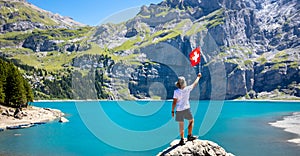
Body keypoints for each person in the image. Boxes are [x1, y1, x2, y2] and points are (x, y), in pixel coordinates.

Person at [171, 73, 202, 145]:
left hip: (179, 110)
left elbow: (174, 102)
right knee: (191, 121)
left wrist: (172, 111)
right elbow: (195, 83)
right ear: (184, 83)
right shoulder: (187, 89)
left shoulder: (176, 92)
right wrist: (198, 77)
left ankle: (182, 140)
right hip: (186, 109)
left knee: (181, 125)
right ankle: (189, 136)